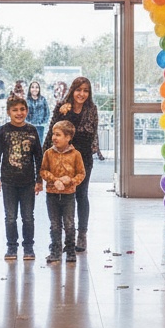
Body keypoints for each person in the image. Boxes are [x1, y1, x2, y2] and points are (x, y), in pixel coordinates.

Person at [45, 76, 103, 254]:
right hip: (61, 159)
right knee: (62, 196)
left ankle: (82, 234)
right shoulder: (61, 107)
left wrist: (68, 127)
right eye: (79, 90)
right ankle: (63, 236)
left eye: (86, 91)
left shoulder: (91, 109)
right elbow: (54, 131)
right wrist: (44, 155)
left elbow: (87, 135)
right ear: (72, 90)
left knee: (81, 195)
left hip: (82, 159)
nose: (82, 94)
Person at [0, 94, 42, 260]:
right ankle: (12, 247)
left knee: (28, 217)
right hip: (8, 182)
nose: (19, 113)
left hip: (28, 182)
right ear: (8, 112)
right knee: (10, 217)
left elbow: (39, 156)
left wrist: (39, 179)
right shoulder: (3, 131)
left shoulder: (32, 130)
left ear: (27, 111)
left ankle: (28, 247)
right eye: (15, 110)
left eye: (22, 109)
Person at [40, 119, 85, 264]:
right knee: (54, 224)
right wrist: (54, 180)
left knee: (69, 223)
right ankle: (55, 251)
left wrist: (70, 181)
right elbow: (43, 170)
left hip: (68, 195)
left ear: (68, 137)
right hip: (51, 194)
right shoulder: (48, 153)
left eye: (58, 135)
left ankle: (70, 250)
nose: (54, 137)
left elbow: (81, 173)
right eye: (53, 134)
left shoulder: (76, 154)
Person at [26, 79, 50, 146]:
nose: (35, 89)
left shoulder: (43, 99)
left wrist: (43, 122)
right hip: (29, 126)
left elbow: (47, 112)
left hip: (40, 126)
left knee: (39, 144)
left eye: (37, 87)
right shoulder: (26, 100)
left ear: (39, 89)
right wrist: (27, 122)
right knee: (29, 145)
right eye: (32, 87)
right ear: (30, 89)